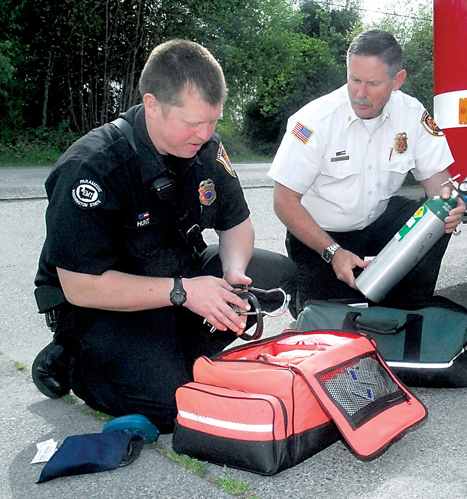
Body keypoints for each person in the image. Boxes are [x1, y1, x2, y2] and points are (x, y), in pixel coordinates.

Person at [32, 39, 297, 433]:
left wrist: (234, 274)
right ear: (152, 105)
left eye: (213, 121)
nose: (205, 133)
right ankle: (73, 359)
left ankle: (167, 357)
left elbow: (236, 222)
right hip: (103, 302)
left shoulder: (206, 148)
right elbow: (80, 286)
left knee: (274, 275)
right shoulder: (92, 168)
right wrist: (184, 293)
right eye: (192, 123)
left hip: (175, 278)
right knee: (170, 408)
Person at [268, 28, 466, 311]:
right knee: (331, 323)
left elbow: (439, 182)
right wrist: (333, 252)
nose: (360, 94)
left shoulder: (411, 114)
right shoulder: (315, 121)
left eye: (372, 83)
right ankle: (311, 297)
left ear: (397, 80)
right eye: (354, 79)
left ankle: (408, 310)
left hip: (376, 222)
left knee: (435, 215)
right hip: (321, 237)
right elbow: (284, 201)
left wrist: (450, 201)